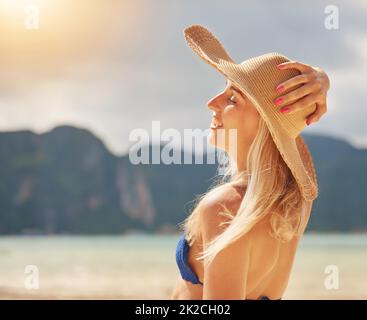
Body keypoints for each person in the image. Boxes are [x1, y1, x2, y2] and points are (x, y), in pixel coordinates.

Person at [171, 25, 330, 300]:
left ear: (265, 125)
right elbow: (289, 131)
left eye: (233, 98)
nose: (212, 102)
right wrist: (321, 79)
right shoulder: (295, 204)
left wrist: (318, 81)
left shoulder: (226, 207)